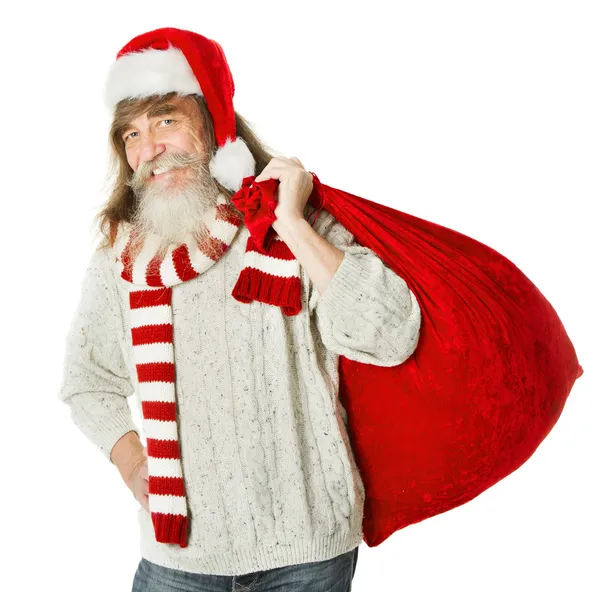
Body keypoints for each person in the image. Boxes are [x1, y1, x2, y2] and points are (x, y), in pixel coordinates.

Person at [58, 27, 422, 592]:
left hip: (307, 555)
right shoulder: (124, 256)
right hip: (178, 558)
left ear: (215, 123)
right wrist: (133, 464)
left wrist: (294, 225)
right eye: (131, 133)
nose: (148, 148)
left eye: (166, 121)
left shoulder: (290, 227)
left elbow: (392, 334)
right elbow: (88, 380)